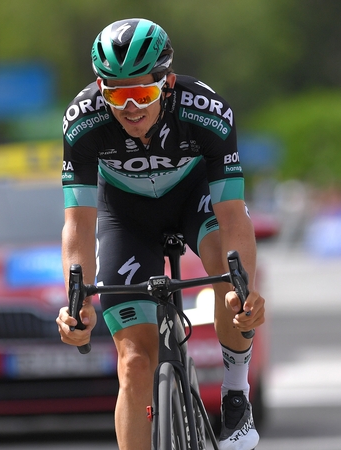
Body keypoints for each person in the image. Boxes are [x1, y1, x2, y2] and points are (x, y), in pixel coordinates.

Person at [56, 18, 265, 450]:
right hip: (125, 217)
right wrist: (78, 304)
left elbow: (232, 217)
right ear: (100, 87)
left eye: (143, 94)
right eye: (117, 94)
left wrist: (244, 290)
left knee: (227, 274)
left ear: (167, 82)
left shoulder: (206, 111)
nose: (131, 108)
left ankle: (235, 391)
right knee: (134, 363)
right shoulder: (82, 121)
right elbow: (78, 224)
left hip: (195, 199)